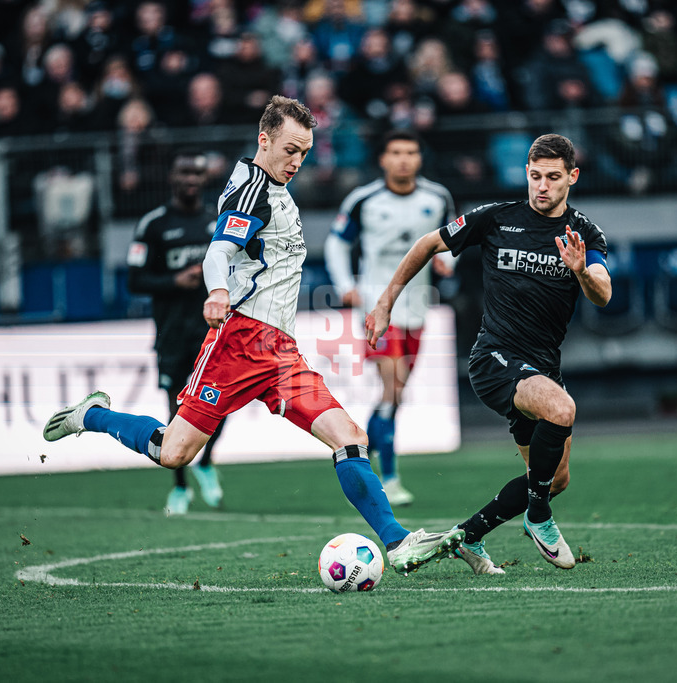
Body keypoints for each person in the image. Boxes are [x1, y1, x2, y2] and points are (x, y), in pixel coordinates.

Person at [43, 95, 463, 575]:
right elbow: (217, 250)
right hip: (238, 343)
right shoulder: (252, 190)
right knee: (174, 452)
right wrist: (217, 291)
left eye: (304, 152)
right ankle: (92, 415)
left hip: (281, 350)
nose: (297, 161)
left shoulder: (277, 189)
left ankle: (398, 541)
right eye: (289, 149)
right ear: (264, 140)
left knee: (349, 437)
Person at [366, 133, 612, 574]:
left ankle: (468, 537)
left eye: (553, 178)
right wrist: (385, 302)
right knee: (561, 409)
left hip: (541, 369)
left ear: (572, 177)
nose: (542, 186)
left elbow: (603, 293)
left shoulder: (585, 233)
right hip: (494, 358)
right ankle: (538, 519)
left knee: (554, 479)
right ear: (526, 174)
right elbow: (427, 244)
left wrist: (582, 272)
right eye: (535, 176)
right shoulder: (497, 218)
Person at [324, 129, 455, 506]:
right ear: (383, 159)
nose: (403, 159)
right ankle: (391, 478)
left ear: (419, 159)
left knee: (394, 396)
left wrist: (448, 260)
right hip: (378, 309)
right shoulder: (364, 199)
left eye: (410, 152)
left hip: (417, 308)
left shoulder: (437, 197)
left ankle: (355, 458)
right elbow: (336, 241)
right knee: (392, 386)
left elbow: (454, 239)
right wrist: (345, 283)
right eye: (395, 152)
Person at [127, 152, 227, 516]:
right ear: (172, 177)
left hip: (212, 331)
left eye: (197, 173)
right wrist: (175, 280)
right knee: (175, 408)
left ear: (204, 179)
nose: (191, 179)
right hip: (171, 331)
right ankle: (180, 486)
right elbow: (134, 279)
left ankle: (205, 461)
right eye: (185, 171)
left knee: (222, 404)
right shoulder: (153, 225)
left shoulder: (217, 221)